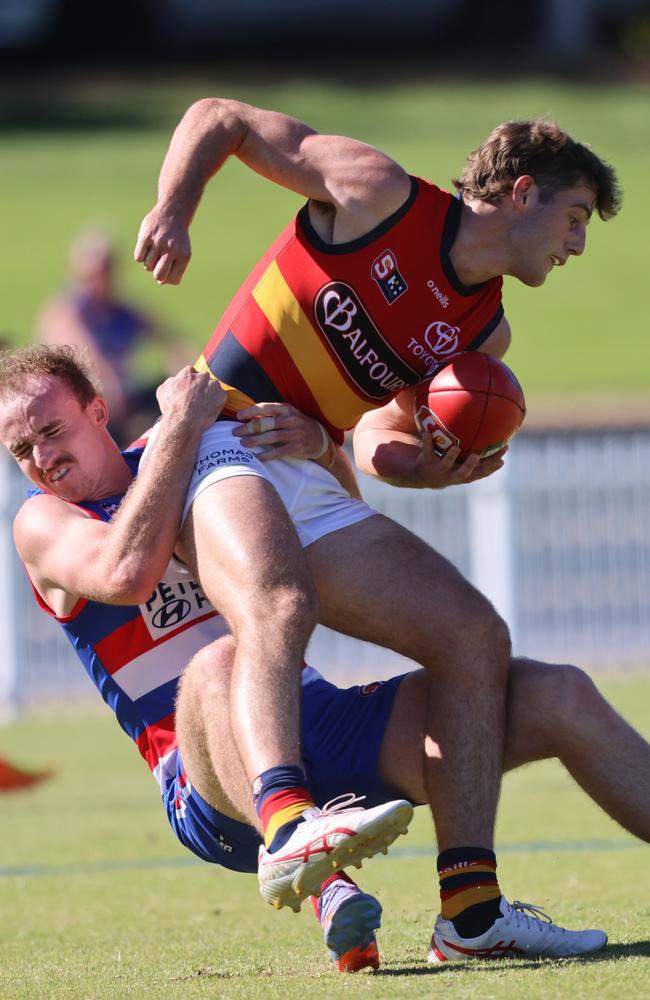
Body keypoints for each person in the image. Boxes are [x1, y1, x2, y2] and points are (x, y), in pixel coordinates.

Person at [133, 99, 622, 950]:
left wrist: (431, 465)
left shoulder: (481, 332)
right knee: (278, 603)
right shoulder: (379, 195)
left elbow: (382, 440)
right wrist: (173, 210)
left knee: (476, 636)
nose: (577, 243)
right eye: (574, 217)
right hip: (212, 433)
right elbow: (218, 117)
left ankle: (471, 912)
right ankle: (288, 826)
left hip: (303, 468)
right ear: (518, 194)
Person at [1, 348, 646, 972]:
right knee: (218, 662)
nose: (41, 458)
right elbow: (125, 571)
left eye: (51, 431)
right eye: (20, 450)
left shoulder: (193, 451)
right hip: (208, 785)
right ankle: (314, 871)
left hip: (319, 720)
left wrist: (320, 450)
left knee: (559, 693)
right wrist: (180, 427)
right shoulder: (42, 522)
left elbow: (338, 529)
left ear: (96, 410)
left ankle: (470, 915)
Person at [36, 229, 187, 445]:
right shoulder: (67, 313)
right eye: (93, 274)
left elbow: (170, 338)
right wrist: (112, 385)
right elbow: (87, 355)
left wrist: (182, 364)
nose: (100, 281)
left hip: (124, 395)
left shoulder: (121, 310)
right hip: (84, 402)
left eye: (106, 271)